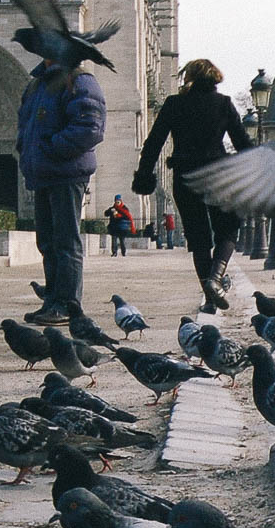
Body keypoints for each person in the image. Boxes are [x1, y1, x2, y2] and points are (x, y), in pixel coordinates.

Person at [133, 59, 250, 309]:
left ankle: (209, 294)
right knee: (228, 230)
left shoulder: (175, 104)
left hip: (186, 176)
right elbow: (242, 144)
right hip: (219, 175)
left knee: (198, 238)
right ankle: (215, 280)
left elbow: (154, 142)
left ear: (190, 77)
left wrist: (144, 174)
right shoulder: (224, 104)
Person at [16, 35, 106, 326]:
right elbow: (26, 124)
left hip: (66, 172)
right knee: (48, 242)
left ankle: (67, 305)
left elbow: (90, 128)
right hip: (43, 172)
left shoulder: (80, 81)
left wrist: (51, 149)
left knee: (66, 241)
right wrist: (26, 151)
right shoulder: (37, 84)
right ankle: (52, 299)